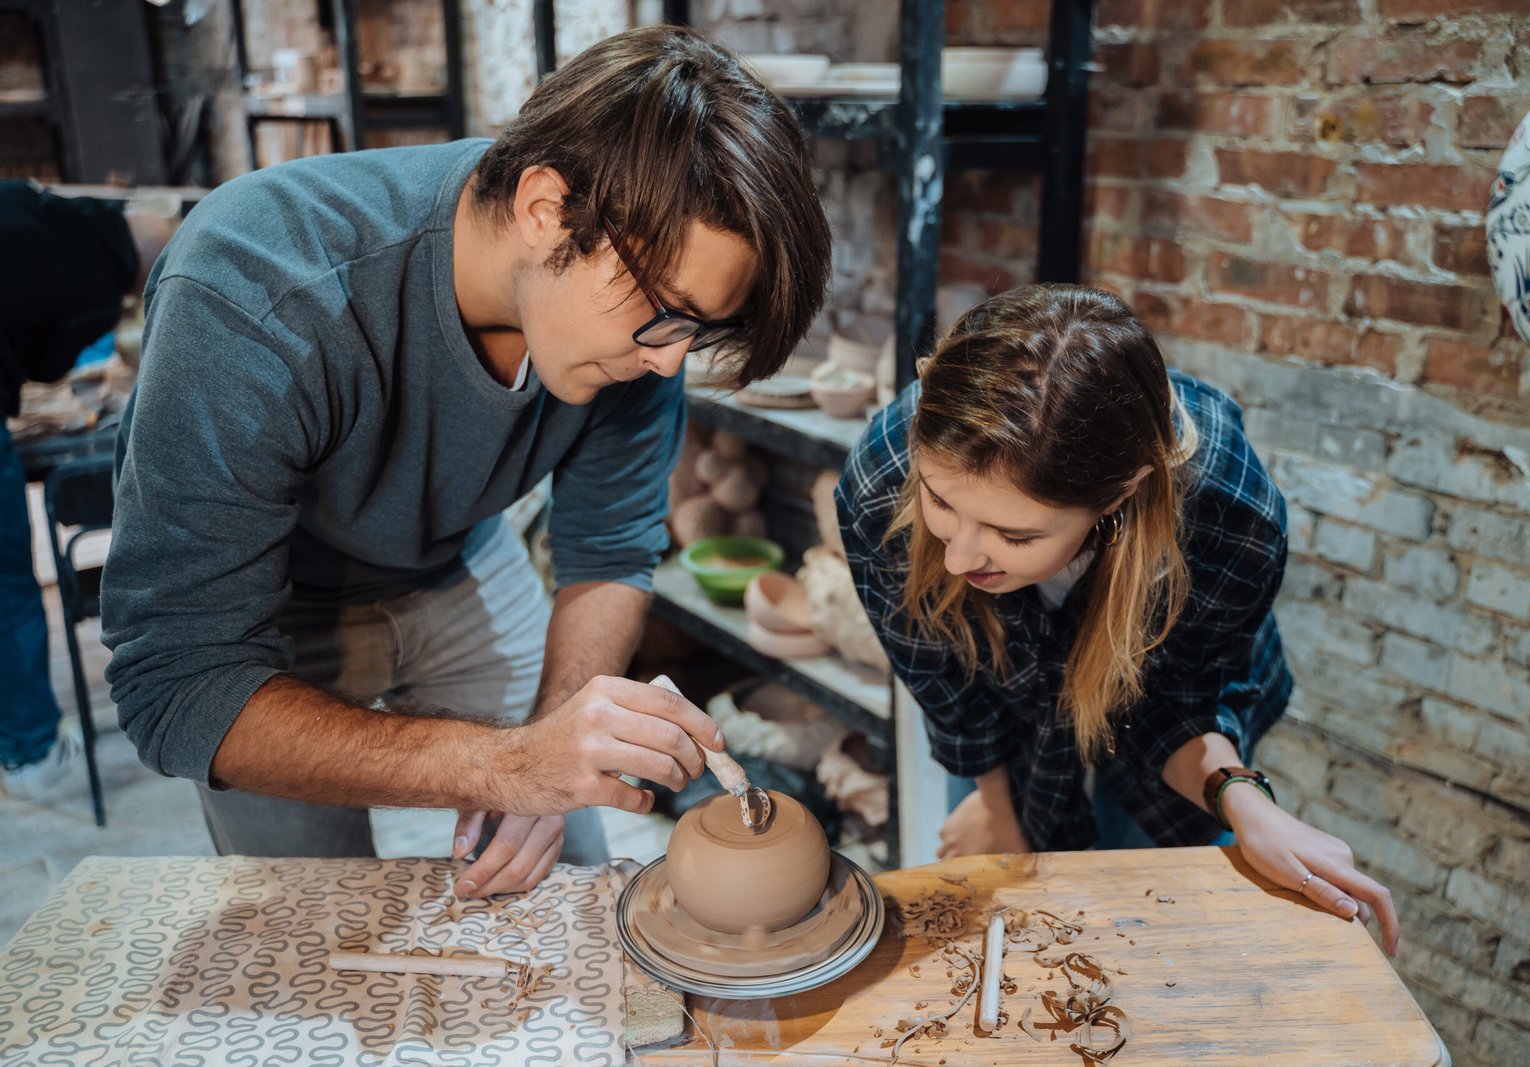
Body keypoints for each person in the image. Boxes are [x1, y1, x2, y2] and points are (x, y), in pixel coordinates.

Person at [100, 26, 830, 897]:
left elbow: (608, 554)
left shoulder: (634, 316)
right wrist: (503, 764)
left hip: (459, 553)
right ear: (544, 211)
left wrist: (552, 749)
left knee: (565, 879)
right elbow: (178, 687)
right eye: (670, 316)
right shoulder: (258, 286)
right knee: (310, 913)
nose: (671, 363)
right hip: (269, 611)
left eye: (698, 331)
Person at [837, 284, 1400, 955]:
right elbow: (946, 684)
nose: (958, 556)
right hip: (999, 699)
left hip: (1166, 704)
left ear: (1119, 494)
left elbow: (1178, 712)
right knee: (1009, 934)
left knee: (1144, 938)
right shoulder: (880, 481)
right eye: (940, 501)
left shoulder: (1230, 512)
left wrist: (1248, 804)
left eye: (1013, 536)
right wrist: (994, 802)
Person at [0, 181, 172, 802]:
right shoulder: (103, 282)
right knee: (7, 590)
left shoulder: (43, 206)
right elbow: (49, 365)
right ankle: (31, 754)